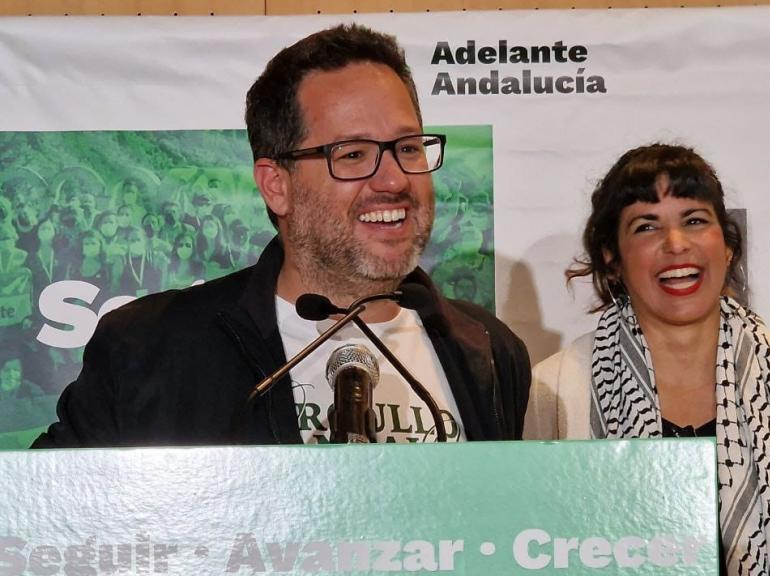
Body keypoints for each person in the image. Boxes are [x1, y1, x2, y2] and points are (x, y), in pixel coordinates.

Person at [33, 23, 530, 447]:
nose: (395, 179)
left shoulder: (489, 349)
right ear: (277, 185)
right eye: (353, 154)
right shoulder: (148, 350)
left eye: (408, 148)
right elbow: (42, 522)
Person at [524, 144, 770, 576]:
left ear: (727, 245)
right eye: (646, 227)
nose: (676, 244)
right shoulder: (556, 390)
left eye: (694, 220)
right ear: (611, 258)